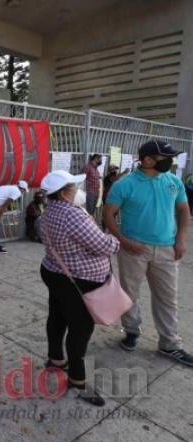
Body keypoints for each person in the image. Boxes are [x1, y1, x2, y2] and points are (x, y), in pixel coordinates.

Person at [104, 140, 193, 366]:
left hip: (167, 249)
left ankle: (169, 344)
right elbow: (108, 214)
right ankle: (132, 331)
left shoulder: (174, 182)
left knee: (167, 298)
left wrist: (181, 240)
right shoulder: (125, 184)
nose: (170, 161)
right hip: (134, 249)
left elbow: (183, 210)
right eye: (166, 157)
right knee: (129, 294)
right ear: (147, 159)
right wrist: (124, 240)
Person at [39, 170, 120, 407]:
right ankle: (76, 378)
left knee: (57, 316)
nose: (76, 191)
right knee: (80, 327)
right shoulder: (73, 215)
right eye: (73, 188)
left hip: (54, 272)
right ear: (64, 194)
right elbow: (102, 246)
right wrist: (114, 240)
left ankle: (55, 359)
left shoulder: (48, 212)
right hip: (78, 279)